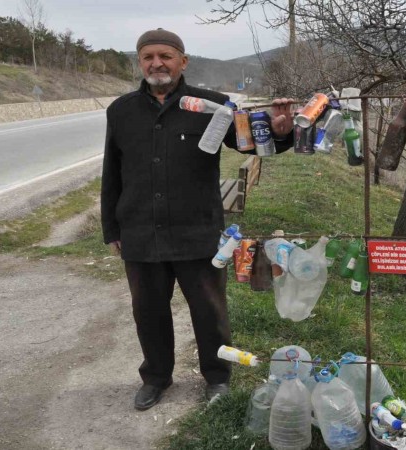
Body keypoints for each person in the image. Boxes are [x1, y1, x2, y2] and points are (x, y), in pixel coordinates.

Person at [101, 28, 294, 411]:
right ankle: (156, 377)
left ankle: (218, 377)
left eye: (166, 56)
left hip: (198, 231)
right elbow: (112, 173)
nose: (157, 63)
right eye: (148, 57)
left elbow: (248, 142)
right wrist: (112, 228)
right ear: (140, 63)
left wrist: (281, 131)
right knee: (148, 311)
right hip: (141, 231)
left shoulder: (212, 105)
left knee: (209, 311)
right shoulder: (120, 112)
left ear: (182, 61)